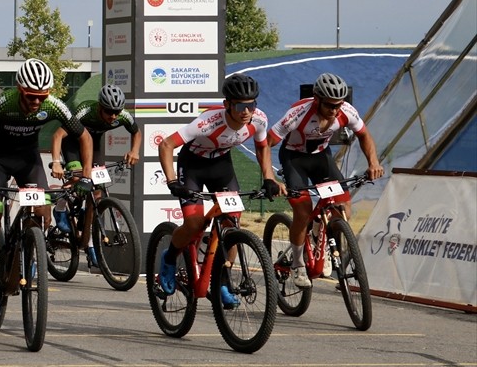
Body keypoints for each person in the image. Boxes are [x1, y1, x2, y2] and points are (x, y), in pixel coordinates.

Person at [0, 59, 93, 320]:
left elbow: (84, 137)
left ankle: (30, 251)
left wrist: (86, 176)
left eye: (41, 97)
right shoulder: (4, 103)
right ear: (20, 90)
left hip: (28, 161)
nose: (36, 102)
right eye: (31, 96)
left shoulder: (53, 105)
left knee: (43, 210)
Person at [156, 73, 282, 307]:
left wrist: (268, 178)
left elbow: (263, 147)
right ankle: (170, 258)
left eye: (251, 105)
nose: (247, 111)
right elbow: (166, 145)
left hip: (221, 166)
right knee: (194, 224)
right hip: (192, 165)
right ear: (227, 105)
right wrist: (172, 182)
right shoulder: (209, 121)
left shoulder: (259, 120)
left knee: (231, 225)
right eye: (240, 105)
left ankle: (221, 280)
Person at [267, 72, 384, 288]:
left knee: (343, 207)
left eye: (338, 105)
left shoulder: (346, 111)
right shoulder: (298, 113)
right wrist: (269, 177)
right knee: (302, 210)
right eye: (330, 105)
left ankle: (318, 236)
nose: (334, 111)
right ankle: (298, 265)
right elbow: (266, 142)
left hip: (321, 157)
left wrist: (373, 163)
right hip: (294, 158)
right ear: (317, 99)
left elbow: (364, 135)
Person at [48, 83, 143, 269]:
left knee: (98, 191)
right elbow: (58, 135)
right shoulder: (85, 112)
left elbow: (136, 132)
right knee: (78, 178)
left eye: (116, 112)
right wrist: (56, 161)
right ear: (100, 107)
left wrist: (134, 151)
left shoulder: (121, 115)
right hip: (72, 145)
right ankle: (60, 207)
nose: (113, 116)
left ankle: (89, 239)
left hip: (95, 146)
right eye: (109, 112)